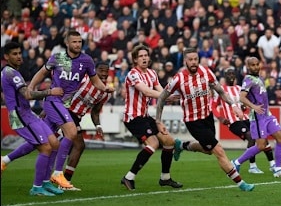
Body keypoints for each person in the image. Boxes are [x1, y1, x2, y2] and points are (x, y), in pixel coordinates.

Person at [155, 48, 255, 192]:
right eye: (190, 60)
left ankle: (181, 145)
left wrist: (233, 105)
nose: (194, 62)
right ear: (185, 61)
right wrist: (158, 120)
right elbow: (162, 98)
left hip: (207, 117)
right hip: (193, 121)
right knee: (218, 150)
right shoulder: (179, 79)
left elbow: (220, 91)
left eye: (196, 59)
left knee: (208, 150)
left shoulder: (206, 72)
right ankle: (241, 183)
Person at [28, 31, 114, 191]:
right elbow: (42, 72)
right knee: (71, 133)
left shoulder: (86, 60)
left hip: (63, 104)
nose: (77, 45)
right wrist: (31, 87)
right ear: (67, 43)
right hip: (54, 101)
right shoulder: (57, 58)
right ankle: (58, 173)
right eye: (74, 42)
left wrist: (105, 88)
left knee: (47, 143)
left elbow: (95, 81)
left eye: (80, 42)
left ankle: (39, 181)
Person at [1, 42, 65, 196]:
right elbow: (28, 95)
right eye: (14, 54)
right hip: (19, 116)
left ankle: (46, 183)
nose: (18, 56)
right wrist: (50, 92)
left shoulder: (13, 72)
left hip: (27, 113)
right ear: (6, 57)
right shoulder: (10, 73)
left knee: (54, 143)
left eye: (19, 53)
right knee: (45, 147)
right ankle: (37, 188)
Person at [120, 45, 184, 190]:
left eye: (146, 55)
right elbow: (147, 92)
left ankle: (165, 178)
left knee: (168, 141)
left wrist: (171, 96)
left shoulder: (152, 73)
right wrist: (167, 96)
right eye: (141, 56)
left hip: (145, 116)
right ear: (135, 59)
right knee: (153, 143)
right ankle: (129, 177)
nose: (144, 58)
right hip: (133, 117)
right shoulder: (133, 74)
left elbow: (162, 93)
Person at [231, 57, 281, 178]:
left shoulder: (260, 78)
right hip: (258, 117)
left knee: (280, 138)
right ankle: (236, 162)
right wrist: (254, 107)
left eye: (257, 64)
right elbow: (242, 97)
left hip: (267, 115)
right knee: (261, 146)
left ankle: (278, 169)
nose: (255, 67)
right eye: (252, 65)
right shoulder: (248, 79)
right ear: (248, 67)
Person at [211, 69, 275, 174]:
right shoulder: (221, 90)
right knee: (251, 136)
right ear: (224, 76)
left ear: (235, 76)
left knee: (262, 138)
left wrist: (245, 106)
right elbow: (213, 106)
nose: (231, 76)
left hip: (246, 118)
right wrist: (220, 118)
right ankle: (252, 166)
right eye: (228, 74)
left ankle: (273, 165)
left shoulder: (240, 88)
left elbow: (245, 104)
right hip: (233, 122)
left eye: (232, 74)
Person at [62, 61, 111, 187]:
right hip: (66, 111)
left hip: (76, 117)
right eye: (101, 70)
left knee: (65, 146)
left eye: (107, 71)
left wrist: (98, 126)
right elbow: (66, 91)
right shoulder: (84, 78)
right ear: (95, 70)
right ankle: (64, 181)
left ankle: (60, 179)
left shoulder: (105, 93)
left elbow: (95, 111)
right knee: (79, 145)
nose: (104, 74)